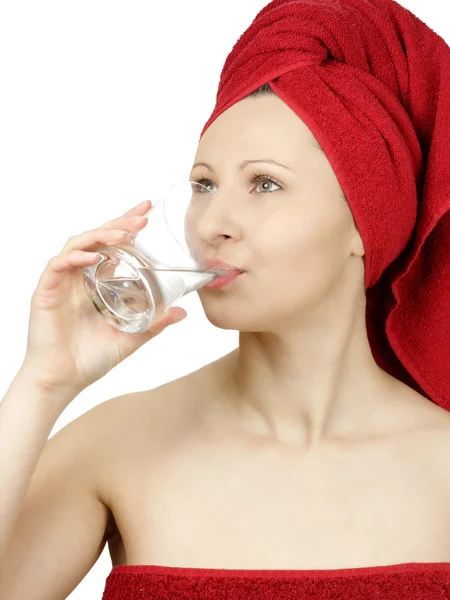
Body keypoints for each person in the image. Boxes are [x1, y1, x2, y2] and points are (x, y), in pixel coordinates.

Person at [2, 0, 450, 598]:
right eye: (203, 184)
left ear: (364, 225)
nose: (213, 221)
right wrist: (43, 381)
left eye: (265, 183)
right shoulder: (113, 446)